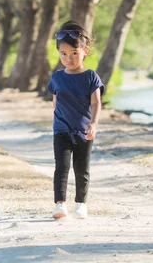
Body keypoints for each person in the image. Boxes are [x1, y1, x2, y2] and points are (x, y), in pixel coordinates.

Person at [47, 21, 105, 219]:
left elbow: (96, 103)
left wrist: (94, 123)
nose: (68, 58)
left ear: (85, 51)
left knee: (82, 169)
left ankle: (81, 204)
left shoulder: (91, 77)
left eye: (74, 53)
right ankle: (60, 205)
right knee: (61, 168)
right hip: (61, 130)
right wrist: (60, 120)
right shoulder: (56, 77)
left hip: (84, 131)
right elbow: (56, 102)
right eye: (63, 54)